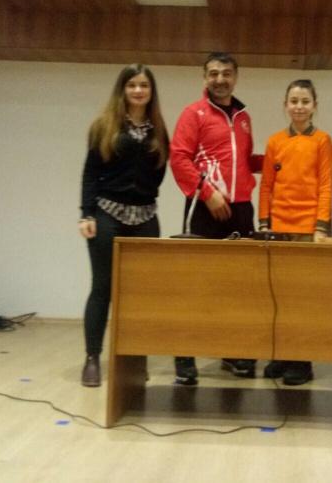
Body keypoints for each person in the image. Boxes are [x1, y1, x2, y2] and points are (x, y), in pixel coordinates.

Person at [169, 52, 263, 385]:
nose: (220, 79)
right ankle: (184, 356)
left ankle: (231, 351)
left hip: (240, 210)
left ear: (236, 77)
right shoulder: (192, 113)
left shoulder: (244, 117)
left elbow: (242, 161)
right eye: (213, 73)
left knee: (238, 285)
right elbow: (179, 158)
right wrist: (207, 192)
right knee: (196, 284)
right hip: (204, 207)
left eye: (226, 73)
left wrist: (280, 160)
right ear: (204, 77)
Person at [78, 64, 169, 387]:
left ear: (151, 91)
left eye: (144, 85)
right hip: (107, 216)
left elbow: (159, 172)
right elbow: (90, 173)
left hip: (145, 218)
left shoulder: (159, 130)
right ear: (123, 89)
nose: (138, 91)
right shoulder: (104, 126)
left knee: (139, 293)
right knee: (102, 287)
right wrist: (87, 214)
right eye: (132, 85)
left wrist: (142, 196)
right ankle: (92, 358)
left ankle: (134, 360)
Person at [258, 79, 332, 385]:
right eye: (294, 101)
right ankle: (281, 354)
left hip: (307, 230)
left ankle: (301, 361)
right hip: (278, 228)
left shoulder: (322, 141)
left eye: (305, 101)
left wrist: (321, 226)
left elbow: (326, 184)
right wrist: (264, 222)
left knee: (303, 297)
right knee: (278, 295)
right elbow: (266, 185)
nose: (299, 107)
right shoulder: (275, 141)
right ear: (285, 105)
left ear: (314, 106)